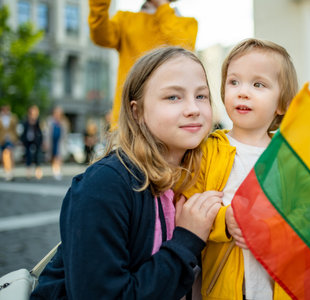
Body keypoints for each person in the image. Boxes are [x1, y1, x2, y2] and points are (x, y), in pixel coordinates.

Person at [30, 46, 222, 299]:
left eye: (201, 96)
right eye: (173, 97)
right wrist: (187, 239)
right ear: (137, 111)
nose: (193, 109)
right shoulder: (105, 185)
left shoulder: (201, 176)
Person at [184, 38, 299, 299]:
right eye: (234, 82)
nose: (242, 92)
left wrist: (277, 230)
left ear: (281, 103)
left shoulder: (290, 159)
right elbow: (187, 204)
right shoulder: (208, 149)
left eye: (258, 84)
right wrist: (225, 220)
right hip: (224, 287)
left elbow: (309, 217)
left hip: (276, 287)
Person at [88, 0, 198, 129]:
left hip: (171, 119)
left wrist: (161, 5)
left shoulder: (187, 23)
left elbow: (183, 48)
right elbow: (100, 36)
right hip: (128, 120)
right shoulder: (126, 19)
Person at [45, 106, 69, 180]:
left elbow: (65, 134)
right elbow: (46, 132)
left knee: (58, 156)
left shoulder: (64, 122)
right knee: (53, 157)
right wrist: (45, 142)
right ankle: (55, 170)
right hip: (52, 141)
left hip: (60, 142)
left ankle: (57, 171)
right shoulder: (50, 121)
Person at [20, 105, 43, 180]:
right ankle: (28, 173)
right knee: (28, 156)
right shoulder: (26, 121)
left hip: (36, 141)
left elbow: (41, 132)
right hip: (28, 140)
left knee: (37, 156)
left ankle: (38, 171)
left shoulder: (38, 121)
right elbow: (23, 131)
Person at [0, 104, 19, 181]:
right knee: (4, 156)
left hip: (10, 138)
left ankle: (10, 171)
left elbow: (15, 129)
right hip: (2, 139)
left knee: (8, 153)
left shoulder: (13, 117)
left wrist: (16, 139)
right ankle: (7, 170)